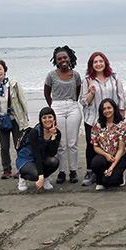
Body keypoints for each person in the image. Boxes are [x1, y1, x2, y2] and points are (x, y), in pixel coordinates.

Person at [80, 52, 126, 186]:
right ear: (91, 65)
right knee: (92, 145)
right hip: (93, 119)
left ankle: (114, 168)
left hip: (112, 119)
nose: (98, 64)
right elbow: (83, 101)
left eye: (101, 61)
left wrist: (121, 114)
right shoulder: (88, 79)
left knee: (114, 145)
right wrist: (91, 92)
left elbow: (121, 95)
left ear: (105, 62)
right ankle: (91, 171)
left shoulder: (114, 77)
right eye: (95, 62)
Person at [44, 45, 83, 185]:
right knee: (60, 142)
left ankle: (73, 171)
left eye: (65, 57)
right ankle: (61, 172)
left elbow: (77, 92)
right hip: (57, 106)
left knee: (72, 143)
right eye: (59, 58)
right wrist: (52, 107)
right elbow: (47, 92)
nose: (62, 60)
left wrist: (71, 102)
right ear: (56, 60)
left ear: (70, 58)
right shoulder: (51, 75)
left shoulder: (76, 75)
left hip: (73, 106)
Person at [0, 59, 30, 180]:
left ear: (5, 70)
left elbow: (22, 99)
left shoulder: (13, 84)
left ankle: (21, 168)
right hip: (1, 120)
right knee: (4, 147)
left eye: (0, 69)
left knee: (19, 144)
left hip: (15, 119)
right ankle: (6, 169)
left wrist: (25, 114)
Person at [16, 107, 61, 192]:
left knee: (54, 161)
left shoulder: (57, 133)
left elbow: (51, 153)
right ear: (41, 120)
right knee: (36, 175)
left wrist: (53, 137)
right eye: (44, 118)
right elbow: (36, 154)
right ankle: (22, 177)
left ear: (54, 118)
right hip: (27, 158)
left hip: (42, 158)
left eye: (50, 117)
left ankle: (45, 177)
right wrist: (40, 176)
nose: (47, 120)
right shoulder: (35, 132)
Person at [91, 98, 126, 191]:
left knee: (110, 182)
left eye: (109, 108)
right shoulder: (97, 126)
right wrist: (106, 155)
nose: (106, 111)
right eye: (104, 109)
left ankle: (119, 175)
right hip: (104, 156)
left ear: (114, 109)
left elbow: (121, 149)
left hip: (118, 157)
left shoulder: (122, 126)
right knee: (96, 163)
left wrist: (112, 167)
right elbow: (95, 147)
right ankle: (100, 180)